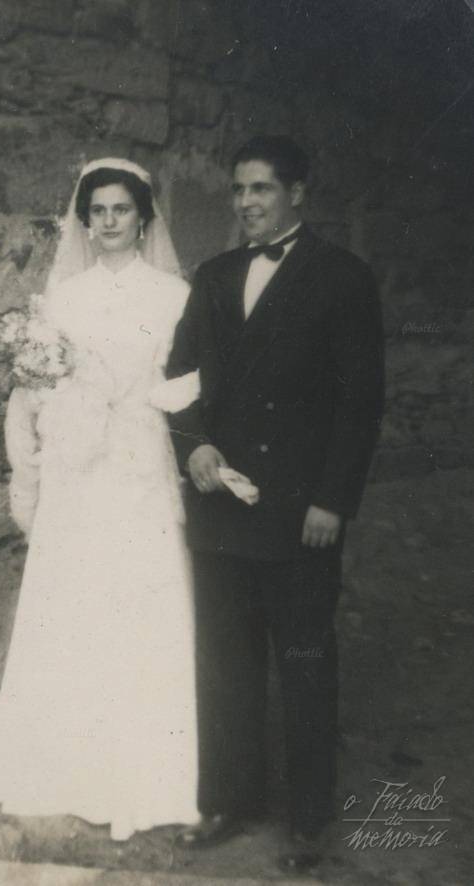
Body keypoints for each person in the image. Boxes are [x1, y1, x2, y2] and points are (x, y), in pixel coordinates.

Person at [166, 135, 385, 870]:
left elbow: (359, 403)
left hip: (299, 513)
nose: (246, 202)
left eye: (260, 188)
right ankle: (231, 800)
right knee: (225, 663)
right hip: (220, 503)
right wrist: (193, 445)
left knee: (303, 661)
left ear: (297, 193)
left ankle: (308, 820)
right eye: (238, 190)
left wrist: (333, 500)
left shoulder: (343, 278)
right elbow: (179, 375)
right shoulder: (215, 274)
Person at [0, 158, 199, 842]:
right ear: (85, 221)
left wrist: (150, 402)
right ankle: (67, 765)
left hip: (137, 462)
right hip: (79, 469)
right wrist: (35, 468)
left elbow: (191, 380)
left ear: (143, 217)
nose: (108, 222)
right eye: (98, 211)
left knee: (137, 601)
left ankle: (145, 775)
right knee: (76, 601)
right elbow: (34, 391)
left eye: (121, 210)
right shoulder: (64, 298)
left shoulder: (173, 295)